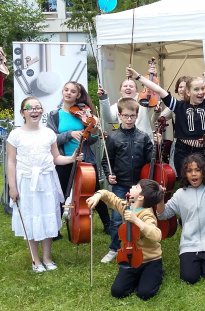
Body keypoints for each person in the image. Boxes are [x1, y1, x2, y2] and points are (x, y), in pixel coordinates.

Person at [7, 97, 80, 272]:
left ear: (42, 111)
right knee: (30, 217)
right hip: (26, 182)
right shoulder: (15, 135)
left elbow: (56, 158)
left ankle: (47, 257)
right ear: (22, 112)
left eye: (38, 107)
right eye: (29, 108)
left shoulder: (48, 133)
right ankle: (35, 259)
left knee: (48, 216)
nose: (34, 111)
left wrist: (71, 158)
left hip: (47, 180)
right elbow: (11, 162)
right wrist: (12, 187)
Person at [156, 128, 205, 285]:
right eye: (189, 171)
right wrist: (160, 198)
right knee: (189, 278)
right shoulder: (180, 194)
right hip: (189, 245)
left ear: (204, 172)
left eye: (198, 170)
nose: (194, 174)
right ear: (185, 174)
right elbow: (162, 215)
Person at [126, 67, 205, 178]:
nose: (201, 92)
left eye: (202, 89)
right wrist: (138, 76)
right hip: (183, 152)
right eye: (196, 89)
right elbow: (159, 90)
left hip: (204, 152)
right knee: (185, 184)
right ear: (188, 92)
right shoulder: (179, 106)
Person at [47, 81, 110, 236]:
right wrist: (70, 134)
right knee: (61, 193)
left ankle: (108, 224)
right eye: (66, 90)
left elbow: (93, 140)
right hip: (64, 159)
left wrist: (94, 129)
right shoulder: (54, 115)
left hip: (85, 159)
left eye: (73, 91)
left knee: (94, 191)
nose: (68, 93)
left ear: (78, 95)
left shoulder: (85, 114)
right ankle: (55, 229)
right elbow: (50, 138)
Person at [86, 179, 164, 300]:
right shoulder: (127, 206)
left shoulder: (147, 214)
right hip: (131, 259)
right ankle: (138, 278)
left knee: (144, 293)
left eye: (136, 187)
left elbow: (157, 235)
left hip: (150, 261)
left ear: (141, 197)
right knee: (117, 292)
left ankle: (155, 273)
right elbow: (110, 196)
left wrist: (136, 220)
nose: (132, 186)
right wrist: (98, 196)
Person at [100, 97, 153, 263]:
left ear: (137, 116)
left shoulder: (144, 137)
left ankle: (140, 246)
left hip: (138, 186)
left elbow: (150, 161)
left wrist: (157, 146)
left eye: (132, 116)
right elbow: (105, 161)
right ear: (120, 115)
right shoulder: (113, 138)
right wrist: (109, 174)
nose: (129, 119)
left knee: (139, 217)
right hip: (120, 185)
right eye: (126, 116)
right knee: (117, 219)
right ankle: (114, 248)